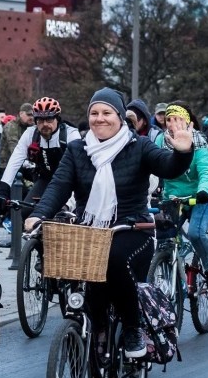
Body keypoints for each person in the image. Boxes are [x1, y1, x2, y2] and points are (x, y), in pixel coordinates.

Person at [23, 87, 194, 359]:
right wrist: (39, 214)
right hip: (90, 230)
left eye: (106, 113)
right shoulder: (78, 149)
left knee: (112, 259)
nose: (99, 118)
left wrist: (183, 152)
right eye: (94, 113)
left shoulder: (138, 146)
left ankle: (132, 327)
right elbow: (58, 185)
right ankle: (97, 327)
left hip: (132, 229)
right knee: (80, 277)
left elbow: (168, 166)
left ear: (119, 116)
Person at [154, 101, 208, 291]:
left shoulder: (198, 140)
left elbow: (206, 170)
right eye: (168, 119)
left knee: (195, 233)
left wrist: (204, 190)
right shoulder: (160, 140)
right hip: (173, 197)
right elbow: (152, 169)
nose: (172, 123)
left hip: (202, 197)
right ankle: (173, 268)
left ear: (187, 120)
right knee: (164, 238)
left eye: (177, 119)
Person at [0, 96, 81, 207]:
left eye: (49, 119)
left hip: (68, 181)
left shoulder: (71, 135)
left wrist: (69, 204)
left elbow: (79, 172)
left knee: (60, 214)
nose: (45, 124)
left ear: (57, 119)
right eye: (40, 120)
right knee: (26, 212)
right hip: (45, 178)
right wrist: (3, 191)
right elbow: (15, 160)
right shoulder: (31, 133)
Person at [0, 102, 34, 171]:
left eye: (32, 115)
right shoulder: (11, 127)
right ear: (21, 114)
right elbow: (14, 148)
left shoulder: (31, 126)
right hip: (7, 165)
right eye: (29, 115)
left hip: (23, 164)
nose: (31, 117)